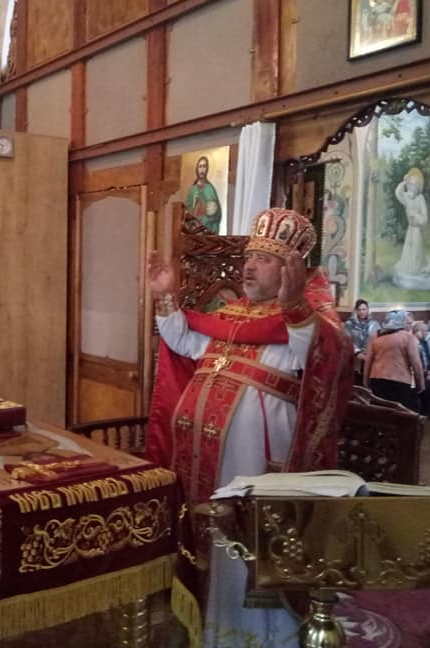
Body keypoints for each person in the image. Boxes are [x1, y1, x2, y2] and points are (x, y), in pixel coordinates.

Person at [147, 207, 352, 646]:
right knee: (211, 546)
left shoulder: (309, 321)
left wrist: (294, 306)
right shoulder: (230, 314)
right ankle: (208, 628)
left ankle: (260, 639)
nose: (250, 266)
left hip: (256, 466)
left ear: (290, 270)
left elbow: (321, 352)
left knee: (246, 550)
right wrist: (166, 297)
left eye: (264, 259)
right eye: (250, 257)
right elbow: (184, 341)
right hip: (203, 466)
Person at [363, 310, 424, 411]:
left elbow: (368, 361)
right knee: (400, 414)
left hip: (377, 380)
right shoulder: (408, 338)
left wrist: (365, 382)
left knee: (380, 413)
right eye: (408, 323)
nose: (410, 326)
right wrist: (420, 384)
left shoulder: (376, 337)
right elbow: (416, 364)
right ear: (401, 322)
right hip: (400, 382)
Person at [392, 167, 430, 289]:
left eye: (415, 184)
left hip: (417, 229)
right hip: (410, 229)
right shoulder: (407, 197)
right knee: (409, 248)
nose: (412, 187)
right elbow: (398, 193)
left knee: (416, 249)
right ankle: (409, 269)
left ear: (419, 186)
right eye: (410, 184)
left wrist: (415, 215)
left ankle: (417, 269)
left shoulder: (420, 198)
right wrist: (403, 182)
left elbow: (424, 219)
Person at [343, 298, 379, 379]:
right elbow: (347, 339)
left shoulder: (374, 324)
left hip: (369, 356)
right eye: (359, 310)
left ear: (368, 310)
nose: (362, 312)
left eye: (364, 309)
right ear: (356, 311)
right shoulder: (349, 324)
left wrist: (368, 354)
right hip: (354, 356)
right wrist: (357, 352)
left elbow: (376, 340)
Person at [185, 155, 222, 233]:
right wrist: (194, 204)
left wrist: (205, 219)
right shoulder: (192, 190)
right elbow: (186, 212)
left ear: (207, 169)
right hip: (194, 228)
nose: (202, 169)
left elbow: (216, 213)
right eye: (200, 166)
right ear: (197, 169)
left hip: (206, 227)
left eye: (204, 166)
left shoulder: (210, 188)